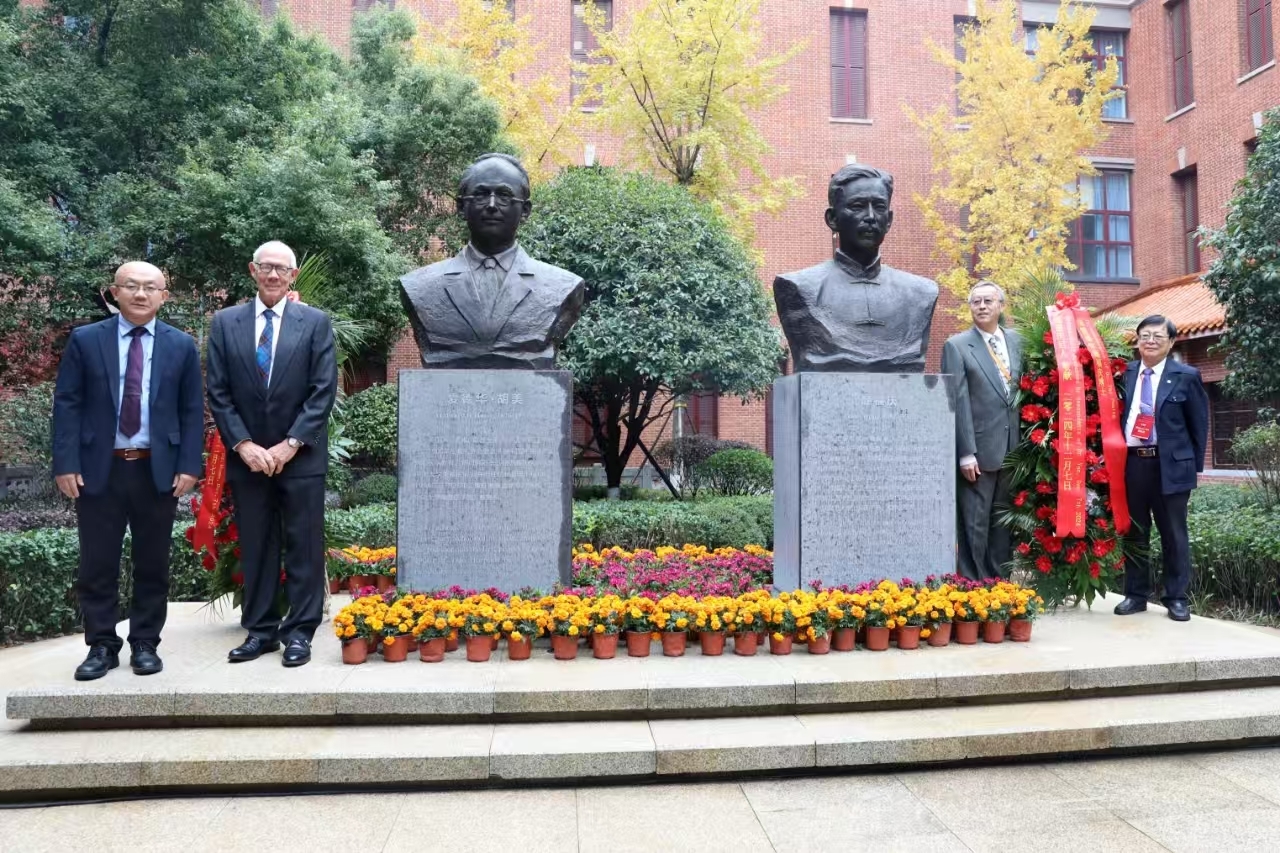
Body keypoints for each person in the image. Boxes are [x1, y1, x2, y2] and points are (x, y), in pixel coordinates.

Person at [51, 262, 204, 681]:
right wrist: (65, 463)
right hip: (98, 469)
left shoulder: (181, 345)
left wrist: (190, 464)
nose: (140, 294)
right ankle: (101, 643)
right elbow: (67, 404)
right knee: (97, 562)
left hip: (157, 470)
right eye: (131, 286)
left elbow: (192, 411)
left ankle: (145, 643)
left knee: (152, 562)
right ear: (113, 293)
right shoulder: (86, 340)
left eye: (150, 288)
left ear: (164, 296)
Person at [206, 241, 337, 666]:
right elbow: (219, 392)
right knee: (257, 546)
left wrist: (290, 443)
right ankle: (260, 631)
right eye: (266, 267)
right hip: (249, 460)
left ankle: (299, 632)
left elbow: (323, 391)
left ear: (293, 276)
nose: (274, 275)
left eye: (283, 269)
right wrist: (243, 445)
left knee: (303, 546)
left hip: (300, 458)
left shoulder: (315, 323)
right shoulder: (226, 323)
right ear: (253, 270)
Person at [399, 152, 585, 369]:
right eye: (480, 195)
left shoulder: (562, 286)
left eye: (505, 196)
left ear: (525, 210)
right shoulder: (420, 286)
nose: (492, 204)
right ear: (461, 207)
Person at [773, 164, 940, 373]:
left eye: (879, 207)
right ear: (832, 219)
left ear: (889, 220)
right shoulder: (799, 287)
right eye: (858, 206)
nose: (870, 216)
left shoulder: (921, 293)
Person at [1114, 315, 1209, 622]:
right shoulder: (1124, 374)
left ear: (1171, 342)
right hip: (1133, 464)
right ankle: (1136, 594)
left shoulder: (1186, 375)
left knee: (1174, 534)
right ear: (1137, 340)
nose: (1150, 340)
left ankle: (1177, 597)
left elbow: (1199, 424)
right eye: (1144, 335)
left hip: (1171, 467)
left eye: (1157, 336)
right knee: (1135, 533)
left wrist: (1192, 468)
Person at [940, 281, 1022, 580]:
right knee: (974, 523)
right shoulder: (957, 346)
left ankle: (999, 584)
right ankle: (972, 587)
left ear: (1001, 305)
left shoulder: (1018, 342)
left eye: (988, 301)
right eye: (976, 302)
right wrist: (965, 452)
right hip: (978, 453)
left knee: (1003, 521)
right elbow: (956, 400)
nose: (982, 306)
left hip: (1014, 450)